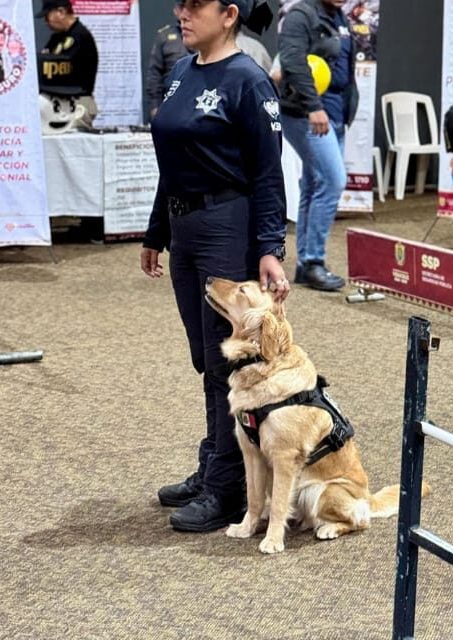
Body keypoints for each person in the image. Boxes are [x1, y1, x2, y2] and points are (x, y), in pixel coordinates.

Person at [140, 0, 287, 533]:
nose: (182, 13)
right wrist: (157, 231)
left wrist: (271, 247)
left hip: (229, 225)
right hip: (186, 230)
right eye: (179, 4)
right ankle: (215, 465)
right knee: (207, 359)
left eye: (194, 5)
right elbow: (171, 166)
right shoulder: (181, 72)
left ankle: (228, 488)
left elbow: (270, 174)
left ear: (228, 15)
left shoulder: (249, 81)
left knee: (229, 363)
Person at [278, 0, 358, 292]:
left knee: (313, 182)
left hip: (335, 114)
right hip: (307, 114)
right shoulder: (301, 15)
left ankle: (304, 265)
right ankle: (313, 261)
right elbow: (292, 61)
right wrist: (313, 106)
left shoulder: (339, 18)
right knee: (333, 180)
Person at [38, 0, 99, 130]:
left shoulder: (80, 36)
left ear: (61, 12)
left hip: (76, 103)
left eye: (47, 15)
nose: (45, 21)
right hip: (56, 104)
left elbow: (63, 70)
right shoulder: (56, 38)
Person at [147, 5, 194, 119]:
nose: (185, 12)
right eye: (181, 7)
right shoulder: (164, 36)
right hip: (171, 101)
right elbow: (154, 73)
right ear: (175, 11)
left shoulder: (205, 34)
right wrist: (155, 106)